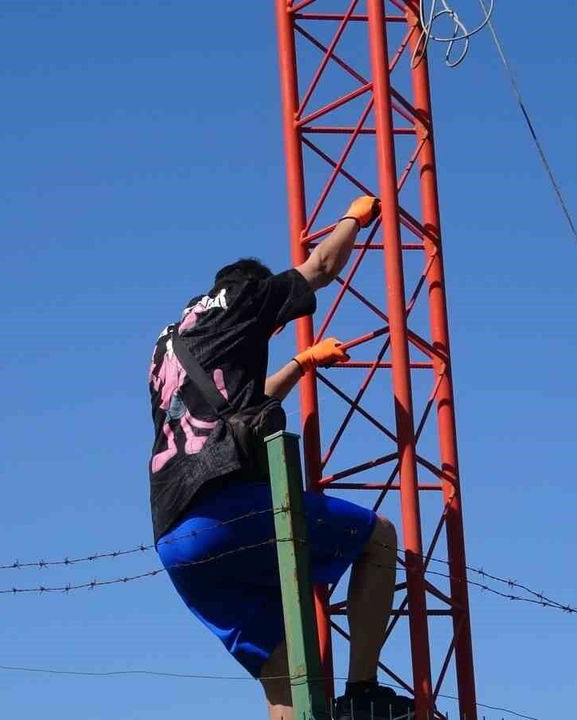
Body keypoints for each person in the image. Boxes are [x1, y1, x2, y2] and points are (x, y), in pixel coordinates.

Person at [146, 196, 415, 719]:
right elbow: (321, 267)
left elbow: (230, 408)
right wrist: (354, 219)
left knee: (287, 670)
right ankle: (363, 693)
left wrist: (301, 362)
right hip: (223, 510)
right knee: (378, 536)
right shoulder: (245, 294)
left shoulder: (170, 342)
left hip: (174, 537)